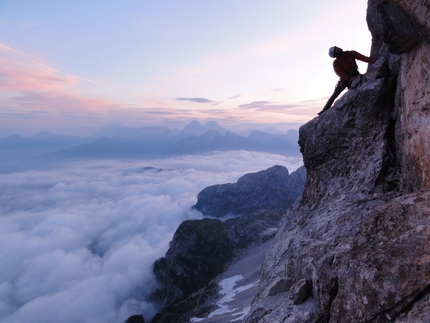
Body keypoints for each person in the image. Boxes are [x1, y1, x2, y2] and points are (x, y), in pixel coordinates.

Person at [318, 46, 375, 115]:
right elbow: (339, 73)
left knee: (353, 72)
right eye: (336, 49)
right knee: (334, 95)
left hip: (353, 74)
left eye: (337, 48)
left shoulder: (350, 53)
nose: (338, 48)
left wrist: (372, 61)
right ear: (335, 54)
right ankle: (324, 110)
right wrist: (349, 78)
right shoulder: (336, 62)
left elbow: (362, 57)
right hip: (344, 80)